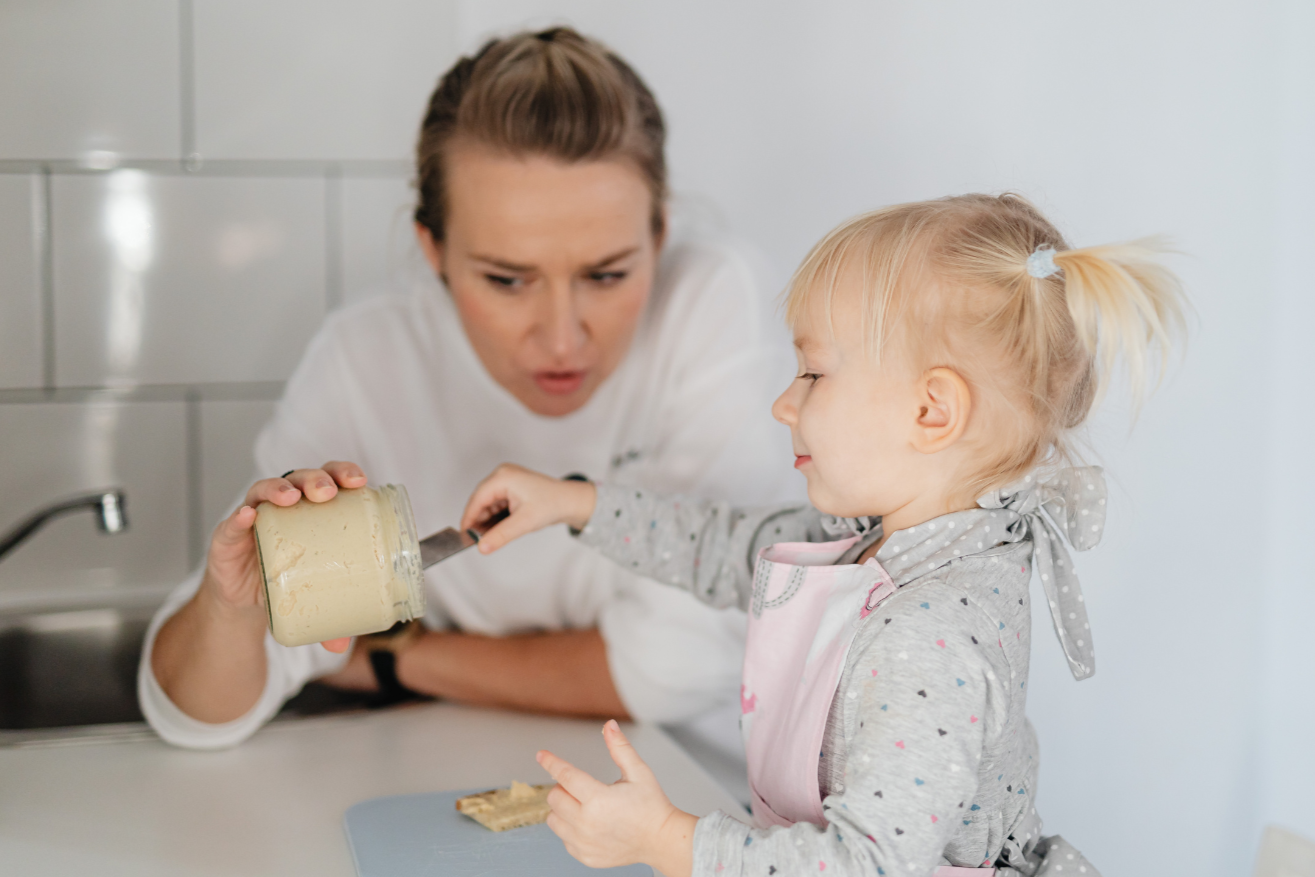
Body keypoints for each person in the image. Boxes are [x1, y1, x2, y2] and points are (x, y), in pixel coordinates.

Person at [459, 193, 1187, 876]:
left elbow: (862, 866)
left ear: (931, 411)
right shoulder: (868, 545)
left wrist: (665, 840)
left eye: (812, 372)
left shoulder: (925, 635)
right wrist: (572, 502)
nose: (784, 403)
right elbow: (719, 544)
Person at [137, 27, 796, 758]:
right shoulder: (367, 359)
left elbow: (682, 666)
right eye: (506, 280)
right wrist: (233, 610)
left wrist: (393, 657)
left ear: (659, 234)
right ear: (434, 251)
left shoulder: (711, 300)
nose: (561, 340)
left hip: (692, 785)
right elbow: (197, 715)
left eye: (607, 275)